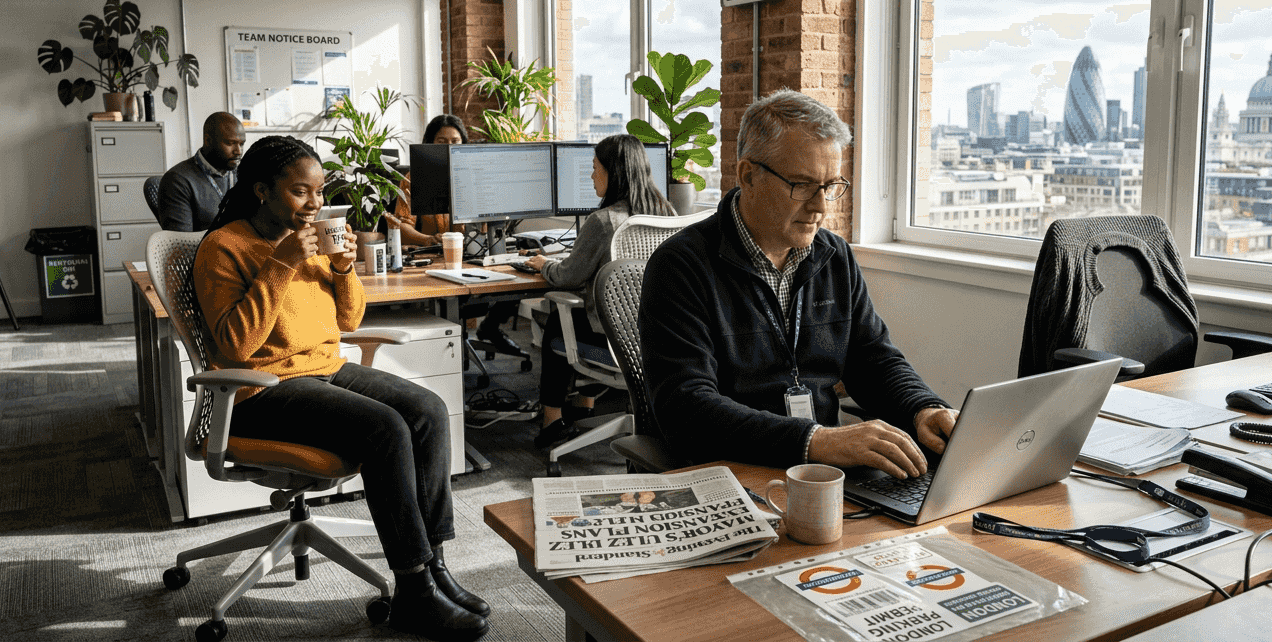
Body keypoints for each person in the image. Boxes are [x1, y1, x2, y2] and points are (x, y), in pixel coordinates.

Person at [193, 135, 490, 642]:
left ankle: (435, 566)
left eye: (319, 191)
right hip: (259, 390)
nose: (315, 203)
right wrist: (283, 263)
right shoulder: (225, 247)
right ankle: (414, 589)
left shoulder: (308, 238)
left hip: (324, 368)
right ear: (262, 190)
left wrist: (344, 267)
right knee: (385, 428)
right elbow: (237, 345)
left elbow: (349, 320)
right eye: (300, 192)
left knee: (428, 409)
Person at [638, 89, 959, 479]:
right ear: (748, 176)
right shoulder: (680, 267)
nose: (821, 207)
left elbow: (874, 360)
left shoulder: (833, 256)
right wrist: (815, 440)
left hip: (824, 473)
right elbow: (686, 408)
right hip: (732, 471)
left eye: (830, 186)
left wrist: (922, 407)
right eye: (803, 185)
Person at [524, 133, 676, 448]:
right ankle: (584, 406)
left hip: (616, 347)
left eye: (595, 168)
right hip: (661, 343)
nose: (592, 176)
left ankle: (552, 421)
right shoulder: (667, 215)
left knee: (559, 320)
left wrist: (543, 264)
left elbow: (567, 276)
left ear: (613, 173)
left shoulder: (603, 221)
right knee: (588, 312)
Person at [390, 115, 521, 357]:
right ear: (429, 144)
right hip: (432, 263)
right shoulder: (413, 178)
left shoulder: (475, 176)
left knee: (517, 277)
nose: (449, 148)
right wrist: (427, 239)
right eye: (441, 142)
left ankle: (490, 326)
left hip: (471, 257)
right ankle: (446, 348)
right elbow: (401, 226)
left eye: (455, 141)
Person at [157, 111, 246, 231]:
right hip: (208, 243)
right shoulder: (177, 180)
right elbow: (181, 240)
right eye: (230, 143)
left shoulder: (244, 174)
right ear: (208, 141)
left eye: (241, 144)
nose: (238, 151)